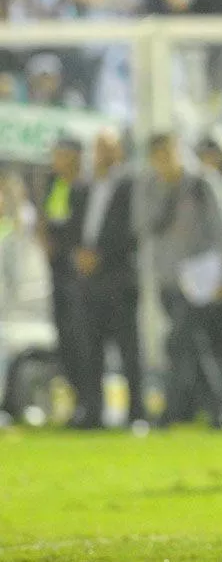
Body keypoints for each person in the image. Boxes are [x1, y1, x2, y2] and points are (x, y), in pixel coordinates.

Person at [139, 133, 222, 430]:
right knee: (191, 345)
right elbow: (143, 225)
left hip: (200, 277)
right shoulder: (151, 186)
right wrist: (166, 194)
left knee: (182, 339)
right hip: (167, 276)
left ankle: (174, 410)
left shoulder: (202, 183)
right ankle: (213, 411)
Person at [73, 128, 144, 430]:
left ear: (119, 151)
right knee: (91, 349)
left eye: (107, 147)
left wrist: (101, 253)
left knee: (128, 348)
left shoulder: (132, 186)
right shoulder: (82, 188)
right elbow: (74, 226)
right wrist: (78, 253)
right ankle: (92, 412)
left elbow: (134, 229)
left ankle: (137, 412)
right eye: (97, 147)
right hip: (88, 280)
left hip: (118, 277)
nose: (100, 153)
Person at [39, 137, 88, 426]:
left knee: (83, 340)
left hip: (77, 275)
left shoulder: (84, 186)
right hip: (57, 272)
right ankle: (75, 402)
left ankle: (87, 402)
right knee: (66, 341)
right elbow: (49, 220)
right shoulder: (53, 185)